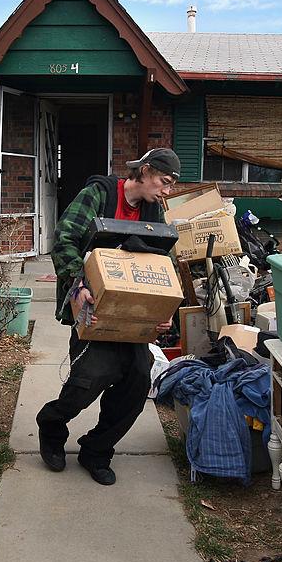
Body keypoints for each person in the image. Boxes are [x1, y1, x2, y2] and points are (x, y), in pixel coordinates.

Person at [36, 148, 181, 485]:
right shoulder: (99, 194)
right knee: (89, 380)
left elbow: (161, 262)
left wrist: (166, 309)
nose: (167, 191)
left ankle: (97, 450)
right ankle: (52, 425)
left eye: (171, 185)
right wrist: (79, 282)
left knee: (136, 381)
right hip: (91, 308)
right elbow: (64, 239)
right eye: (164, 182)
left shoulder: (152, 212)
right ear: (145, 172)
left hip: (133, 317)